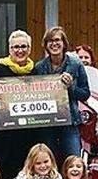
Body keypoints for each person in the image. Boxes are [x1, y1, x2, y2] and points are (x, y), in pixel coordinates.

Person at [0, 30, 38, 179]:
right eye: (16, 47)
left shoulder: (36, 72)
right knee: (1, 178)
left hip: (27, 137)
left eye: (23, 46)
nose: (20, 50)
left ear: (29, 49)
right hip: (3, 138)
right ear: (10, 50)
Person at [33, 26, 90, 160]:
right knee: (48, 161)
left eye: (57, 40)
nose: (54, 44)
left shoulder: (76, 64)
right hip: (47, 124)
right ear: (46, 45)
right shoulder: (39, 67)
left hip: (70, 123)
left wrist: (70, 87)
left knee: (73, 160)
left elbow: (85, 93)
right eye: (50, 41)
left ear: (64, 43)